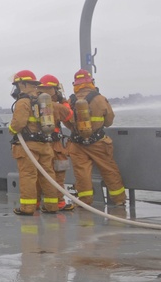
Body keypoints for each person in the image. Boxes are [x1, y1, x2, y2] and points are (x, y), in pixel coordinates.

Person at [63, 69, 127, 207]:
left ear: (75, 84)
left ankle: (85, 202)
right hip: (98, 142)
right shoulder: (99, 98)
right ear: (91, 82)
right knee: (109, 170)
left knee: (82, 174)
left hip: (77, 144)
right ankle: (119, 200)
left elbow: (66, 121)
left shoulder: (70, 100)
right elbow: (109, 121)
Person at [7, 70, 60, 215]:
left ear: (23, 84)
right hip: (45, 144)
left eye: (17, 85)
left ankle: (27, 207)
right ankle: (51, 206)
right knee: (48, 174)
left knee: (28, 175)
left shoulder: (23, 102)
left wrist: (10, 129)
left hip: (28, 146)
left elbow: (18, 124)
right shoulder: (43, 101)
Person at [37, 74, 75, 211]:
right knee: (58, 174)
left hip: (38, 144)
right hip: (55, 145)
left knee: (38, 174)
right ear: (52, 89)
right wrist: (64, 102)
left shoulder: (31, 103)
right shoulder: (56, 106)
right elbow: (69, 115)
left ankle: (35, 203)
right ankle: (58, 203)